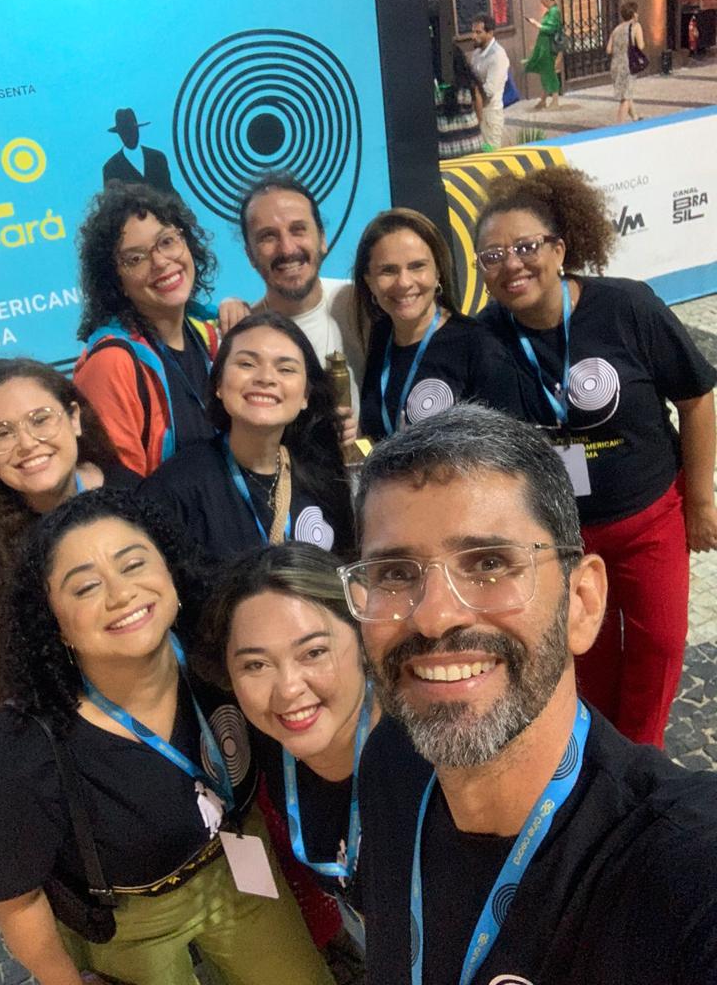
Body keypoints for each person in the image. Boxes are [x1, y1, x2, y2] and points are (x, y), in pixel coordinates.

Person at [339, 404, 717, 984]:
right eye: (394, 573)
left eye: (489, 564)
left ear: (582, 603)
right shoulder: (392, 760)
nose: (434, 617)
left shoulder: (680, 869)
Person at [0, 489, 334, 985]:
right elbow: (18, 901)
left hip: (242, 863)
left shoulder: (221, 650)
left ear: (168, 569)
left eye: (134, 564)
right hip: (130, 920)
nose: (121, 594)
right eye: (85, 587)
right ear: (55, 625)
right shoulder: (24, 750)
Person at [472, 165, 717, 747]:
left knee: (659, 646)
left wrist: (701, 500)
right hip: (559, 539)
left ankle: (642, 759)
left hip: (648, 520)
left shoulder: (626, 306)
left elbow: (698, 398)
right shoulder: (481, 338)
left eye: (527, 247)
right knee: (588, 656)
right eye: (493, 256)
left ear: (560, 250)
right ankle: (601, 759)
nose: (512, 265)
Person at [0, 359, 136, 919]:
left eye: (40, 419)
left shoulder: (126, 492)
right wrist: (13, 780)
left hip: (153, 720)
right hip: (58, 750)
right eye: (1, 432)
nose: (26, 443)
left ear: (74, 418)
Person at [200, 542, 378, 951]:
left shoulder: (429, 759)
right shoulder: (269, 749)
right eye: (255, 665)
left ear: (363, 636)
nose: (288, 689)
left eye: (313, 652)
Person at [140, 311, 354, 560]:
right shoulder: (174, 488)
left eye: (286, 369)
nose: (266, 378)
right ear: (218, 384)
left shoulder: (324, 477)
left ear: (306, 395)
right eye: (247, 364)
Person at [74, 182, 220, 476]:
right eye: (136, 258)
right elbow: (121, 491)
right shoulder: (111, 364)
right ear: (116, 281)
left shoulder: (209, 333)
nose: (161, 262)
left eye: (166, 241)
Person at [351, 207, 524, 440]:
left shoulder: (479, 345)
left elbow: (508, 445)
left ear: (438, 272)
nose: (404, 282)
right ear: (369, 281)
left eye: (417, 266)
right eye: (388, 270)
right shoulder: (379, 338)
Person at [217, 171, 363, 425]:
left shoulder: (360, 303)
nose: (287, 248)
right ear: (250, 255)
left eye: (298, 230)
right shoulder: (238, 336)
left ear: (322, 239)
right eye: (268, 236)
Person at [102, 107, 177, 195]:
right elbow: (111, 200)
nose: (130, 136)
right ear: (120, 134)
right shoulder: (110, 168)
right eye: (125, 132)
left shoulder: (158, 158)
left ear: (137, 130)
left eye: (132, 130)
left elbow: (169, 191)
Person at [436, 45, 484, 159]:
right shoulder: (470, 84)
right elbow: (480, 115)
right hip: (474, 145)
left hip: (446, 150)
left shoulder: (435, 88)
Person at [470, 14, 510, 150]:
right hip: (476, 112)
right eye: (473, 32)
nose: (473, 36)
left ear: (490, 33)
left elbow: (489, 91)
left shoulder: (498, 56)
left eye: (478, 32)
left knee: (491, 155)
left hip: (490, 115)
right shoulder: (476, 53)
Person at [524, 0, 563, 109]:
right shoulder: (551, 12)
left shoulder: (554, 12)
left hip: (549, 47)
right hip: (545, 46)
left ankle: (554, 100)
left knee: (548, 71)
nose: (541, 1)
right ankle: (544, 99)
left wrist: (536, 24)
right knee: (545, 71)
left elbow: (550, 29)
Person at [606, 2, 646, 123]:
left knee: (626, 94)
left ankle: (635, 117)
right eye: (636, 12)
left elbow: (608, 50)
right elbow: (641, 45)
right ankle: (620, 125)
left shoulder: (616, 29)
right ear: (634, 14)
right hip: (628, 65)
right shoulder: (636, 26)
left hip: (615, 65)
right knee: (626, 98)